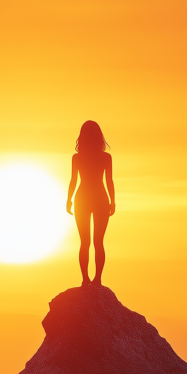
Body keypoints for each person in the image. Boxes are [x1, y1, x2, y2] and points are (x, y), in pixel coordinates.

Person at [66, 120, 115, 286]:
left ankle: (87, 279)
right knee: (97, 242)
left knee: (85, 242)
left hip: (83, 199)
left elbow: (73, 181)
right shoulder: (105, 157)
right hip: (100, 198)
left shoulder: (77, 158)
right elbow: (109, 181)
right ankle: (96, 280)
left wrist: (69, 199)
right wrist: (113, 201)